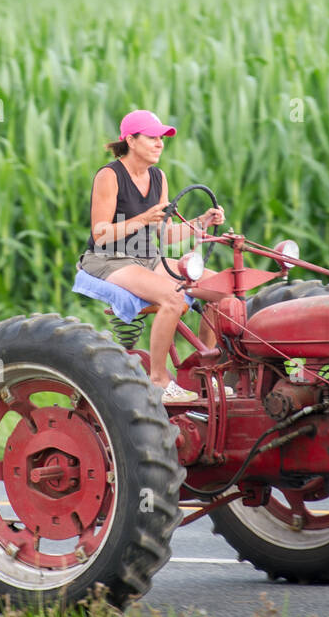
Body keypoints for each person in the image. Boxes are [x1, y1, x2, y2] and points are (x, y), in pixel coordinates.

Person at [77, 110, 226, 403]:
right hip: (110, 258)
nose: (159, 144)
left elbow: (167, 235)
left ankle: (204, 374)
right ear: (130, 140)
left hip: (148, 257)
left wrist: (201, 222)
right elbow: (100, 234)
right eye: (152, 138)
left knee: (220, 289)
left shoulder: (158, 177)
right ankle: (159, 379)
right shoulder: (110, 175)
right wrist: (144, 218)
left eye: (162, 138)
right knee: (173, 296)